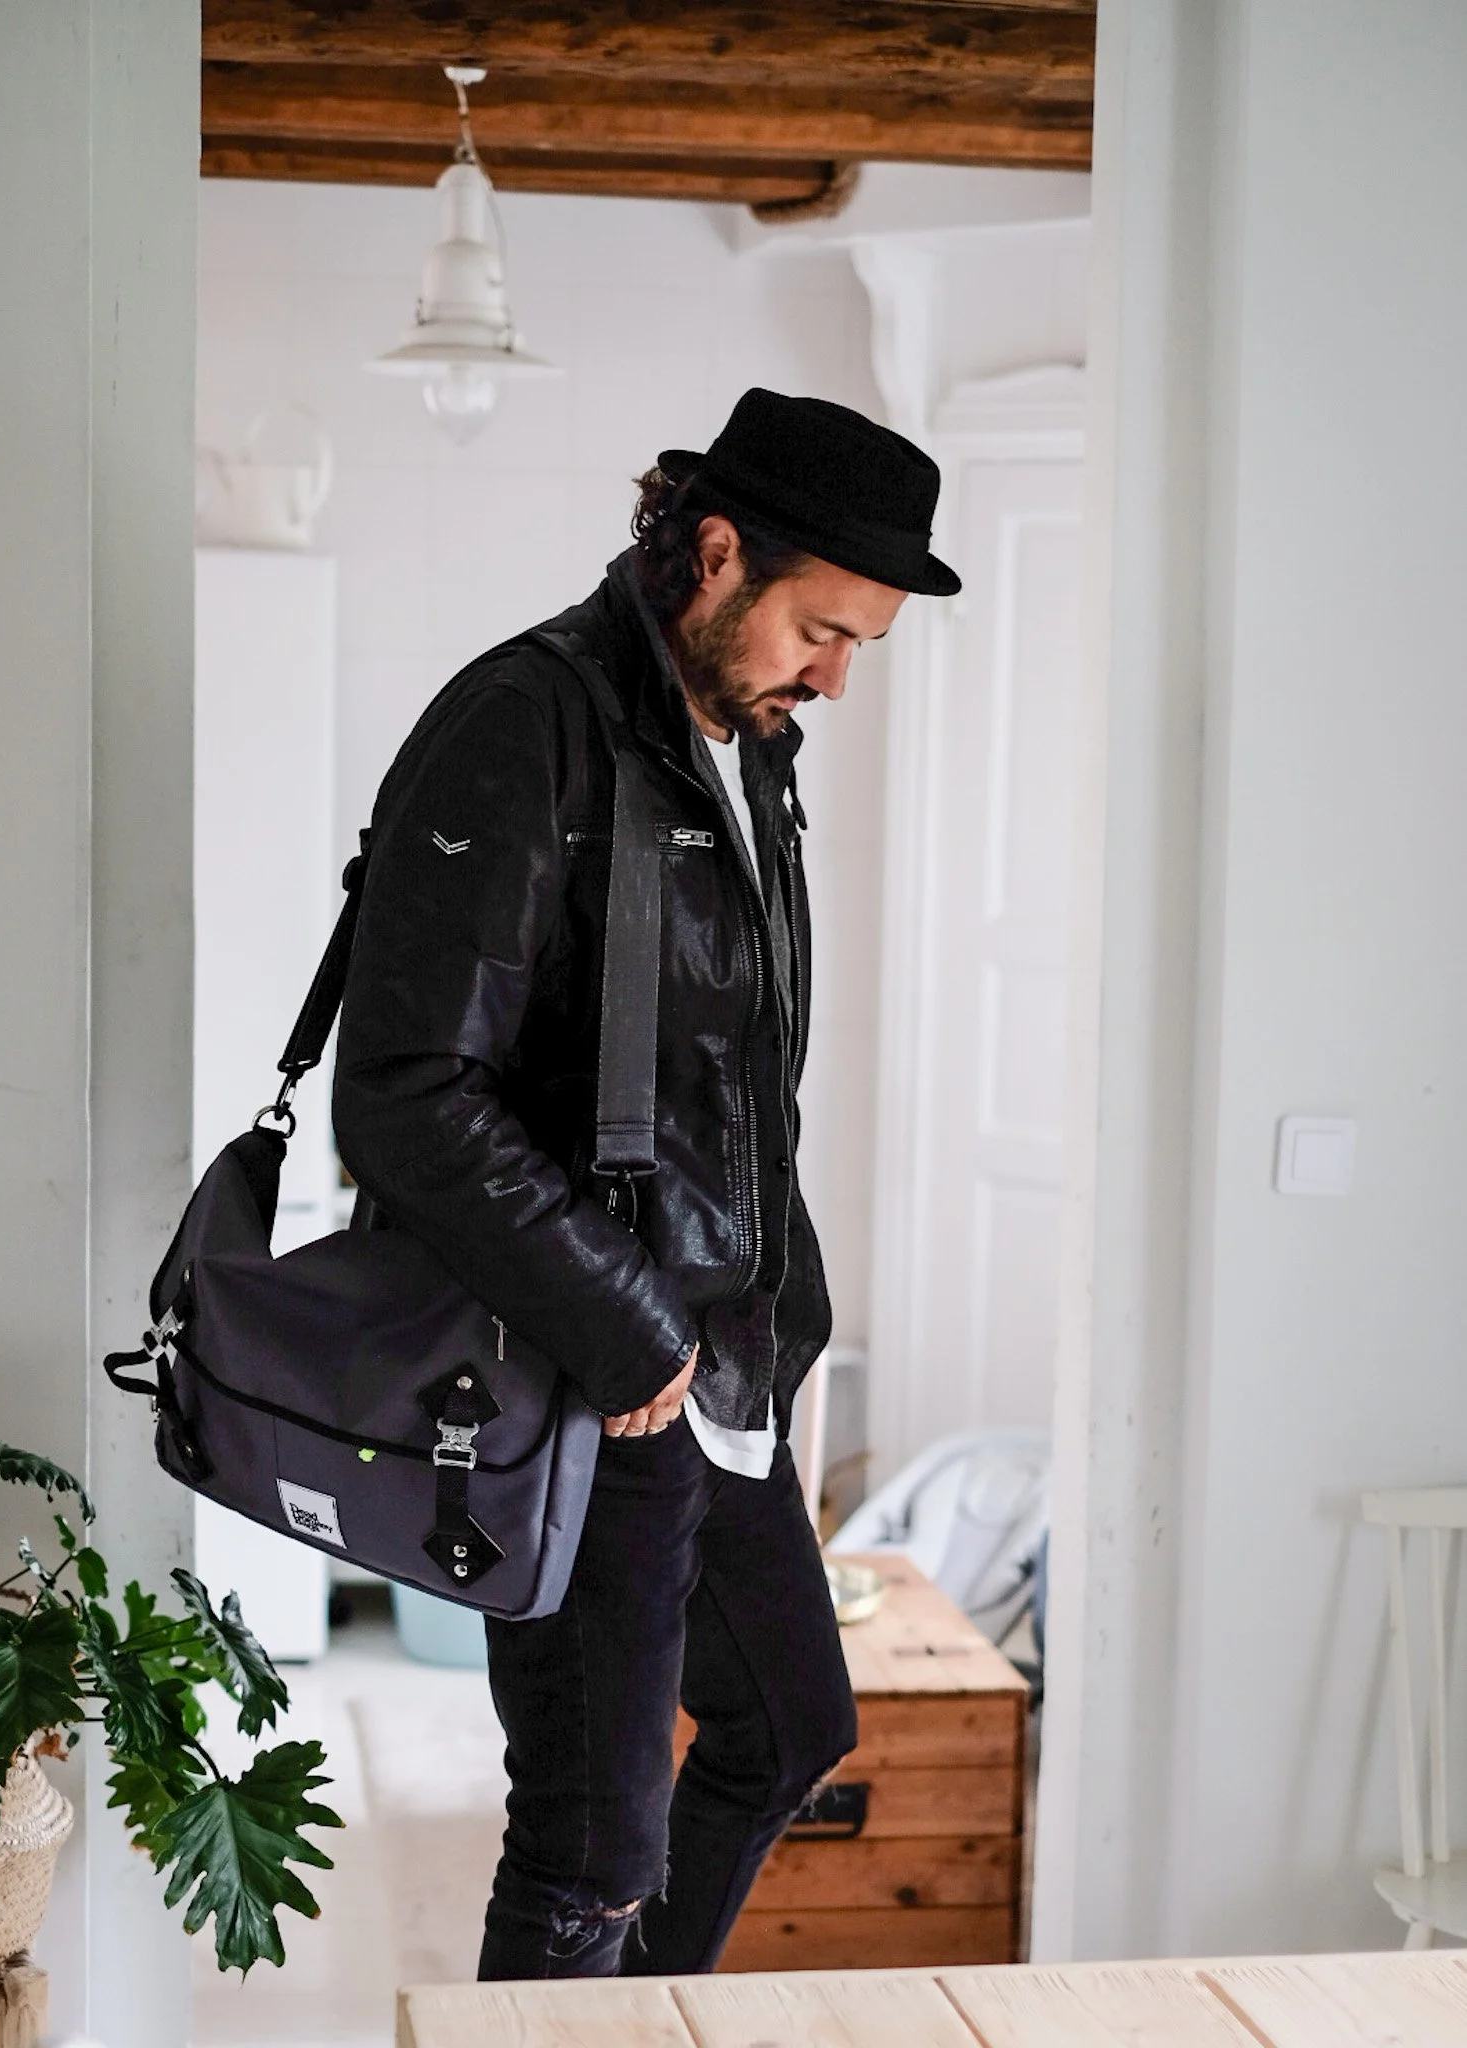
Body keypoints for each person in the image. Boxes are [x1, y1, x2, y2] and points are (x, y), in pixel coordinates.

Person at [332, 387, 961, 1980]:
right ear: (716, 551)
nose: (830, 674)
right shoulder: (528, 720)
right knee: (590, 1851)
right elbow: (404, 1095)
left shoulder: (750, 742)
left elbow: (728, 1081)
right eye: (819, 629)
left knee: (790, 1725)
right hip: (580, 1374)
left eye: (856, 647)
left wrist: (760, 1322)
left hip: (714, 1366)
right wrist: (631, 1334)